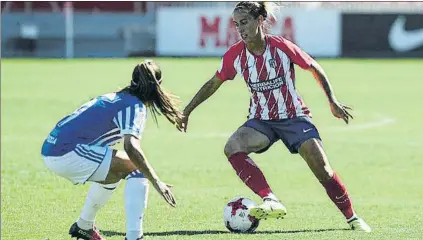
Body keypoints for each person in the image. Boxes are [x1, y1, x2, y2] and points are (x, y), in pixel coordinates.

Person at [179, 1, 371, 232]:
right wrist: (187, 110)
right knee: (233, 146)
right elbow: (213, 83)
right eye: (237, 24)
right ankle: (270, 198)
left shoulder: (281, 46)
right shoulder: (235, 55)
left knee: (323, 169)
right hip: (262, 121)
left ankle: (353, 218)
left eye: (245, 22)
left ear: (260, 20)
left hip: (294, 116)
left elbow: (313, 67)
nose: (240, 29)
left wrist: (332, 101)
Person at [41, 60, 182, 240]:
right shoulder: (134, 106)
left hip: (53, 148)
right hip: (65, 152)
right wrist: (156, 181)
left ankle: (84, 226)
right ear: (158, 86)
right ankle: (134, 236)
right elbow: (131, 147)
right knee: (136, 168)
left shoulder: (117, 98)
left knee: (116, 171)